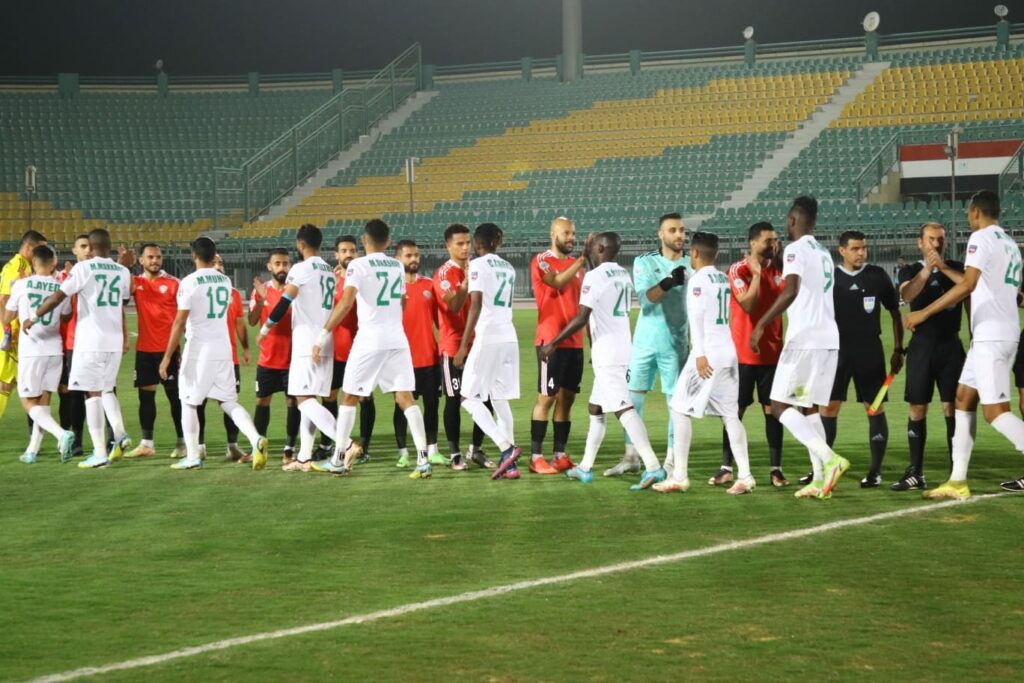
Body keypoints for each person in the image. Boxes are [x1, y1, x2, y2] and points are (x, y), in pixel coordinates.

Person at [904, 191, 1024, 497]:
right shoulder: (1010, 244)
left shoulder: (980, 238)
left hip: (992, 336)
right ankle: (957, 480)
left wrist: (923, 313)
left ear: (975, 212)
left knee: (995, 412)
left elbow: (969, 285)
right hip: (995, 332)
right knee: (962, 399)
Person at [538, 232, 666, 489]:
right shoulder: (622, 273)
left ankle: (653, 466)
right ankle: (585, 467)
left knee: (623, 409)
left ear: (600, 248)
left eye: (593, 245)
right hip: (619, 348)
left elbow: (581, 318)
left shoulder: (594, 277)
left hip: (608, 354)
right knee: (596, 408)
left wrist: (553, 344)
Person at [310, 219, 433, 479]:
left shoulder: (358, 265)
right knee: (406, 398)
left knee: (349, 397)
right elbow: (401, 302)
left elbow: (346, 302)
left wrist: (322, 334)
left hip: (370, 338)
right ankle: (423, 459)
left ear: (364, 240)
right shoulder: (396, 266)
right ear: (388, 241)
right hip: (397, 338)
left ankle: (338, 459)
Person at [749, 196, 850, 499]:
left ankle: (830, 459)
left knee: (779, 405)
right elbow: (805, 284)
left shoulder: (795, 249)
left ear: (792, 220)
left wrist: (762, 323)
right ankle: (819, 478)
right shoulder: (822, 252)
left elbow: (791, 290)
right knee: (808, 408)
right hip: (828, 339)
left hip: (804, 339)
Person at [656, 232, 754, 495]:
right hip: (728, 353)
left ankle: (679, 476)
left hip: (707, 355)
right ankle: (745, 476)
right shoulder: (722, 278)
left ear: (695, 253)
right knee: (730, 415)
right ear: (717, 253)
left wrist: (699, 354)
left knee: (679, 409)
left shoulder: (698, 281)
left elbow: (697, 318)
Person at [27, 228, 132, 469]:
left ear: (91, 248)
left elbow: (58, 297)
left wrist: (34, 316)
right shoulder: (123, 271)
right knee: (107, 389)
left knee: (91, 394)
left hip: (90, 342)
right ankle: (119, 432)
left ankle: (99, 453)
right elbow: (123, 300)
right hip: (114, 342)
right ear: (110, 246)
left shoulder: (83, 268)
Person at [159, 237, 267, 470]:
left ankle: (193, 456)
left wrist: (167, 356)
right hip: (223, 349)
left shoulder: (189, 281)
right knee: (228, 401)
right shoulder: (225, 281)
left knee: (188, 402)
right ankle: (255, 438)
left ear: (193, 255)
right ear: (214, 254)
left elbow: (180, 321)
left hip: (200, 349)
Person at [605, 213, 689, 476]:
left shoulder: (692, 263)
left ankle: (672, 461)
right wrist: (668, 282)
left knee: (676, 404)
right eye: (672, 230)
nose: (679, 235)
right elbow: (645, 299)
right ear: (660, 234)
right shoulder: (644, 261)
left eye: (682, 230)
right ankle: (632, 456)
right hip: (644, 343)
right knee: (632, 400)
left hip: (676, 345)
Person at [817, 230, 903, 487]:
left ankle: (875, 472)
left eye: (863, 248)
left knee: (874, 407)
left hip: (870, 352)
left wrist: (898, 349)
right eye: (855, 248)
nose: (861, 253)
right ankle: (821, 469)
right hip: (836, 352)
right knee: (828, 408)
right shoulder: (830, 278)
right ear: (841, 250)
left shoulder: (877, 275)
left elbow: (895, 313)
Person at [258, 224, 343, 472]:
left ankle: (345, 444)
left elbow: (285, 301)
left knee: (302, 398)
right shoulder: (328, 270)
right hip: (325, 341)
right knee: (310, 399)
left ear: (300, 244)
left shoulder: (301, 269)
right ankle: (304, 457)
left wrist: (265, 329)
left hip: (307, 343)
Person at [711, 221, 788, 488]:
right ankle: (726, 468)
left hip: (772, 354)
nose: (774, 244)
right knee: (735, 411)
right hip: (742, 355)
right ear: (753, 243)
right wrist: (756, 275)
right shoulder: (738, 269)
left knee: (773, 411)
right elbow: (747, 304)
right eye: (768, 240)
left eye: (776, 240)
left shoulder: (780, 270)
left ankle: (776, 469)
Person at [892, 223, 965, 491]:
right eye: (931, 239)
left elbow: (969, 287)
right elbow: (907, 294)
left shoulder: (956, 268)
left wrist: (942, 267)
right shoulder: (910, 270)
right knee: (917, 407)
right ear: (920, 242)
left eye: (941, 240)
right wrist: (927, 270)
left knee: (952, 408)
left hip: (951, 346)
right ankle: (916, 472)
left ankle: (956, 471)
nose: (936, 244)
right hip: (922, 346)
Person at [453, 223, 523, 480]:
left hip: (489, 337)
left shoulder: (478, 265)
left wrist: (463, 346)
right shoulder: (508, 267)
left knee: (467, 398)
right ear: (498, 241)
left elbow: (476, 304)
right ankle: (510, 465)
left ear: (476, 243)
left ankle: (506, 448)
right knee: (499, 398)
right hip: (509, 336)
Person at [3, 244, 75, 463]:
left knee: (28, 402)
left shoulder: (21, 284)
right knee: (43, 402)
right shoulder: (60, 286)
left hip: (31, 350)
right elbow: (66, 315)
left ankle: (61, 434)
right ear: (54, 263)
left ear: (34, 262)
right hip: (54, 350)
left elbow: (7, 317)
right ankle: (32, 451)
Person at [529, 216, 585, 475]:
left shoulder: (577, 266)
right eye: (566, 233)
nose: (571, 237)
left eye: (573, 233)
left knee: (567, 399)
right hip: (550, 341)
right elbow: (557, 282)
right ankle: (536, 457)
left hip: (575, 342)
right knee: (546, 398)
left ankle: (559, 455)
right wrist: (581, 262)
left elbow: (584, 306)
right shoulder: (542, 260)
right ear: (553, 234)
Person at [433, 224, 491, 469]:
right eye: (459, 243)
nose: (465, 247)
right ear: (448, 246)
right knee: (454, 399)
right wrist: (466, 283)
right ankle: (455, 453)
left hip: (479, 344)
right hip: (453, 346)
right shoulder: (443, 274)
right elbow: (454, 306)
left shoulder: (479, 267)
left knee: (485, 398)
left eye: (468, 242)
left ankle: (475, 449)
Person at [316, 235, 375, 464]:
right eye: (344, 251)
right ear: (336, 254)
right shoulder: (330, 281)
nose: (348, 254)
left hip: (360, 347)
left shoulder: (363, 278)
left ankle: (363, 447)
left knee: (364, 396)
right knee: (330, 396)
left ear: (358, 253)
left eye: (352, 250)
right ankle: (327, 444)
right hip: (335, 349)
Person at [124, 243, 186, 459]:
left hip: (168, 350)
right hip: (144, 350)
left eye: (158, 257)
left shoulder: (174, 283)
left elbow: (184, 318)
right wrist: (125, 266)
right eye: (150, 257)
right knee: (146, 398)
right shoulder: (136, 283)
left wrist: (172, 352)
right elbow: (122, 296)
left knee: (175, 398)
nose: (155, 261)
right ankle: (146, 444)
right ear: (141, 260)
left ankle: (183, 442)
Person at [393, 239, 444, 468]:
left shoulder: (429, 285)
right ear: (398, 259)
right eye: (408, 256)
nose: (414, 259)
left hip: (429, 357)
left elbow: (440, 322)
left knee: (432, 405)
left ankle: (433, 450)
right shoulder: (393, 288)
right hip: (402, 359)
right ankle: (403, 452)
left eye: (416, 255)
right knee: (401, 406)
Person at [249, 248, 300, 463]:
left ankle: (289, 449)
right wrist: (261, 300)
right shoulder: (261, 291)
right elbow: (252, 321)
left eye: (285, 263)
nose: (282, 268)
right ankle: (258, 447)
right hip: (267, 359)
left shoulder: (295, 290)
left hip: (292, 359)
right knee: (262, 401)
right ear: (269, 266)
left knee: (293, 402)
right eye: (277, 263)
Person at [0, 230, 48, 420]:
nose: (42, 254)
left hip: (17, 334)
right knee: (5, 383)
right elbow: (4, 300)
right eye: (40, 249)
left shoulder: (24, 266)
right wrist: (7, 333)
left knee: (12, 384)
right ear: (29, 247)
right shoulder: (18, 266)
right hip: (11, 335)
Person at [56, 234, 91, 456]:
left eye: (90, 246)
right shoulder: (62, 277)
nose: (87, 250)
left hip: (95, 342)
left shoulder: (98, 275)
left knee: (101, 392)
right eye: (83, 246)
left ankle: (110, 440)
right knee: (69, 393)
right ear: (74, 250)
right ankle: (72, 439)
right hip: (70, 342)